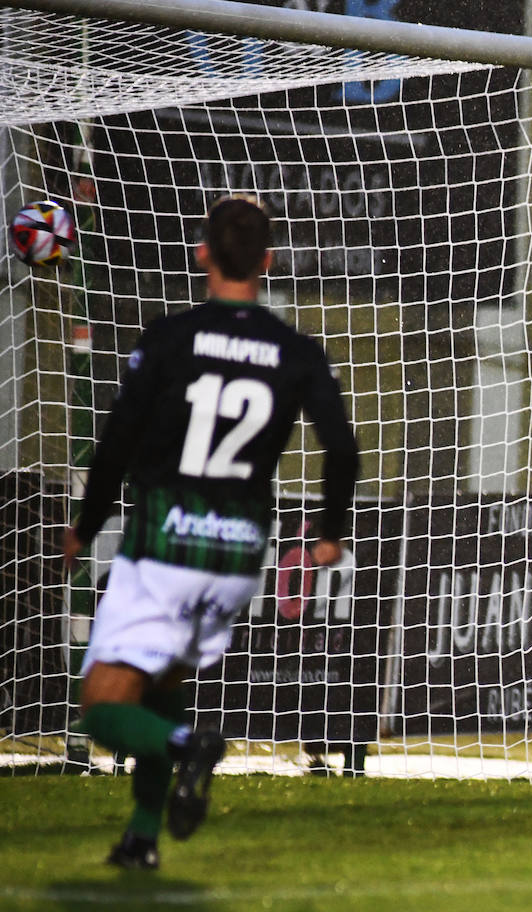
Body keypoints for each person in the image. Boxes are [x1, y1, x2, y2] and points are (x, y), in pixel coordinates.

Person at [62, 196, 359, 870]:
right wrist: (330, 533)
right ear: (268, 262)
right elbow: (341, 449)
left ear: (202, 254)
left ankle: (188, 748)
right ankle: (141, 837)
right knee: (161, 683)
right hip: (236, 555)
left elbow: (115, 444)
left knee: (106, 708)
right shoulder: (297, 352)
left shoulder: (169, 338)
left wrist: (86, 524)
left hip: (166, 541)